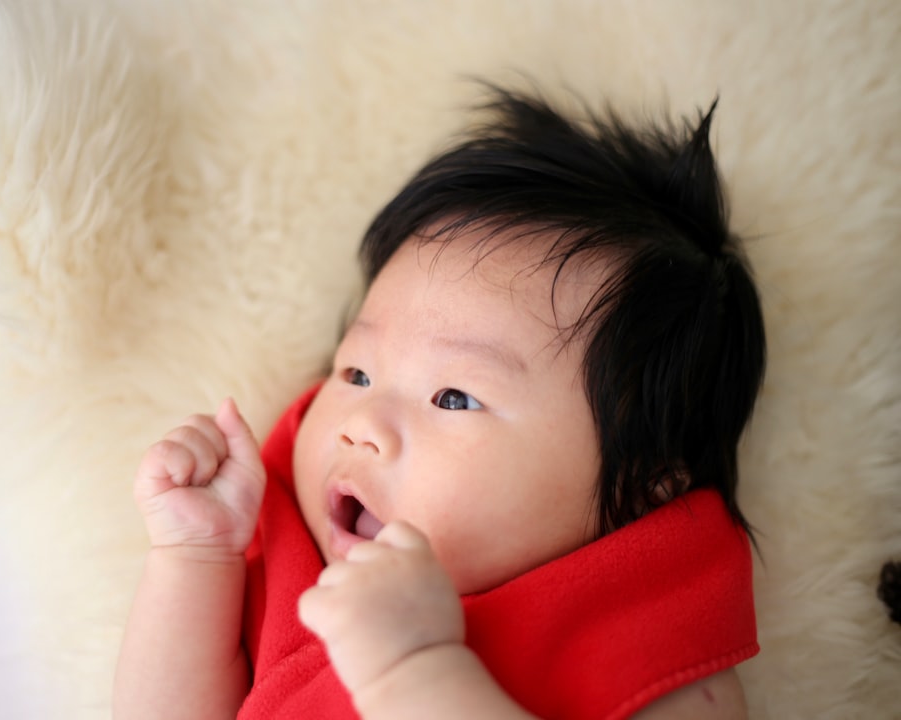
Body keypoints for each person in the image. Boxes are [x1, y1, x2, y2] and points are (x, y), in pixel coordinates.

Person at [113, 86, 766, 719]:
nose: (362, 426)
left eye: (454, 397)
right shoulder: (292, 559)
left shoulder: (657, 653)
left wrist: (414, 671)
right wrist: (195, 559)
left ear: (645, 484)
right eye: (358, 373)